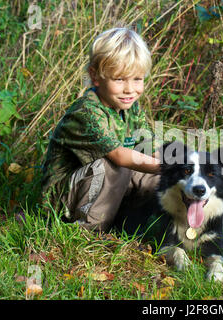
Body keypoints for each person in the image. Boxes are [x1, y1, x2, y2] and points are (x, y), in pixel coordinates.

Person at [40, 27, 160, 233]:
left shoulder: (130, 108)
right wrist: (167, 166)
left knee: (155, 175)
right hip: (62, 199)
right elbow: (120, 157)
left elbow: (149, 149)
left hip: (102, 190)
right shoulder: (87, 110)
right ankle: (88, 229)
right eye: (119, 79)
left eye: (137, 79)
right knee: (115, 166)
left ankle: (136, 224)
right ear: (95, 76)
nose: (130, 89)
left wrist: (178, 168)